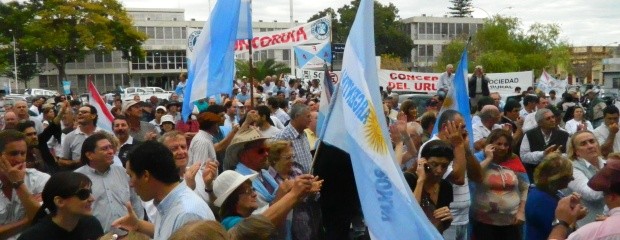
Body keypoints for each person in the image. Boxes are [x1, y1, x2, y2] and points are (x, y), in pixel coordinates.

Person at [112, 141, 215, 240]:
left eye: (131, 176)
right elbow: (168, 234)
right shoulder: (169, 205)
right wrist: (138, 225)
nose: (130, 184)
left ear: (145, 176)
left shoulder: (187, 214)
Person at [74, 133, 144, 232]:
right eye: (104, 149)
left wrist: (140, 226)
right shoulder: (77, 178)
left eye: (110, 148)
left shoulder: (123, 172)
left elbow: (135, 201)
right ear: (89, 155)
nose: (111, 152)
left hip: (128, 235)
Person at [471, 129, 529, 240]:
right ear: (490, 144)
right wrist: (489, 158)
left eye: (506, 145)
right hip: (483, 222)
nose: (503, 147)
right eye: (499, 144)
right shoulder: (478, 158)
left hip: (510, 222)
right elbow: (474, 176)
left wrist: (521, 212)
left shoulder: (514, 159)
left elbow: (525, 187)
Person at [547, 159, 620, 239]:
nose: (572, 179)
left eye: (603, 193)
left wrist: (562, 224)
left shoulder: (591, 233)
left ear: (611, 197)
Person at [18, 172, 103, 240]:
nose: (92, 198)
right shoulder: (33, 237)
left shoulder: (91, 224)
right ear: (59, 201)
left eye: (90, 192)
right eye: (83, 194)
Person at [0, 130, 50, 240]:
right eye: (13, 153)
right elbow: (39, 218)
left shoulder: (40, 179)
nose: (19, 159)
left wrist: (18, 184)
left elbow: (46, 221)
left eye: (23, 153)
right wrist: (29, 220)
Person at [267, 140, 322, 240]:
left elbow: (310, 199)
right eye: (288, 158)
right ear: (275, 159)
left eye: (293, 156)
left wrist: (312, 190)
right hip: (283, 228)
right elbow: (276, 205)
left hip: (304, 224)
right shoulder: (269, 179)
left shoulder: (297, 171)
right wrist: (303, 192)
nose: (292, 160)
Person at [404, 140, 454, 233]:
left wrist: (447, 219)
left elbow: (439, 228)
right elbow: (409, 214)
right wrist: (421, 181)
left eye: (444, 166)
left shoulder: (445, 187)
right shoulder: (409, 179)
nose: (439, 170)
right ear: (424, 162)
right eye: (434, 164)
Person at [525, 153, 574, 240]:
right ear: (555, 178)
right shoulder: (541, 201)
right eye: (568, 176)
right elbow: (560, 234)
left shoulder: (549, 192)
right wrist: (574, 217)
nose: (572, 178)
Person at [566, 130, 606, 227]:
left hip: (611, 221)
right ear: (576, 152)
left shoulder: (607, 163)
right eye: (583, 144)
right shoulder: (572, 169)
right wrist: (614, 181)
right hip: (588, 225)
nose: (590, 146)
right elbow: (590, 193)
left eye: (592, 141)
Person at [520, 108, 569, 181]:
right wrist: (543, 154)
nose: (552, 120)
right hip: (534, 175)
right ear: (540, 123)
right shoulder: (529, 134)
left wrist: (557, 156)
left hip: (557, 175)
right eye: (548, 118)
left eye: (553, 117)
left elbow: (570, 155)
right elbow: (524, 156)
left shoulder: (564, 134)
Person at [273, 103, 313, 174]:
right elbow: (276, 166)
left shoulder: (304, 134)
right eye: (308, 116)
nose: (310, 120)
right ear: (297, 116)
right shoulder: (282, 137)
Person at [60, 104, 102, 171]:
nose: (80, 114)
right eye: (79, 112)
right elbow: (62, 161)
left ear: (93, 116)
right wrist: (76, 162)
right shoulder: (69, 137)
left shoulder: (103, 135)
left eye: (84, 112)